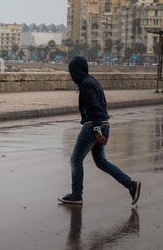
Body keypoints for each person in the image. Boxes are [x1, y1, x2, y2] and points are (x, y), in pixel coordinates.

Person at [58, 56, 141, 205]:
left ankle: (77, 195)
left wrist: (97, 130)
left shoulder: (85, 85)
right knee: (101, 162)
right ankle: (131, 185)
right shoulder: (93, 81)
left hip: (93, 126)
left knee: (76, 160)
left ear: (76, 71)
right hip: (104, 124)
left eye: (72, 72)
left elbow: (95, 107)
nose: (71, 76)